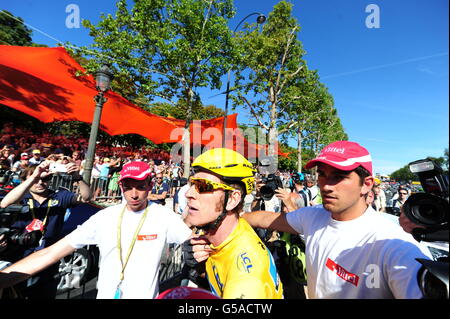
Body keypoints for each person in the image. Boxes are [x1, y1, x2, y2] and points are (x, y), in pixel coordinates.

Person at [241, 141, 432, 299]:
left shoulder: (396, 244)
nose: (327, 186)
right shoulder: (312, 216)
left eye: (339, 177)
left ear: (366, 185)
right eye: (322, 175)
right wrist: (228, 219)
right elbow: (267, 218)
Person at [0, 161, 192, 299]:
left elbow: (195, 241)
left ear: (150, 185)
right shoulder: (104, 217)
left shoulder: (164, 216)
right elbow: (52, 253)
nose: (134, 194)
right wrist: (5, 279)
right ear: (120, 186)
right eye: (128, 187)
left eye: (141, 187)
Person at [183, 148, 283, 299]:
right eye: (191, 184)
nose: (188, 193)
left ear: (232, 200)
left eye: (202, 186)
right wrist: (200, 267)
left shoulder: (246, 281)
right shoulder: (228, 230)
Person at [0, 160, 92, 298]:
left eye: (45, 178)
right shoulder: (21, 196)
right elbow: (5, 203)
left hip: (48, 259)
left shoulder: (59, 196)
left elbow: (87, 197)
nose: (40, 183)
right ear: (26, 180)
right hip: (20, 258)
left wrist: (77, 177)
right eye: (37, 179)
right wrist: (33, 176)